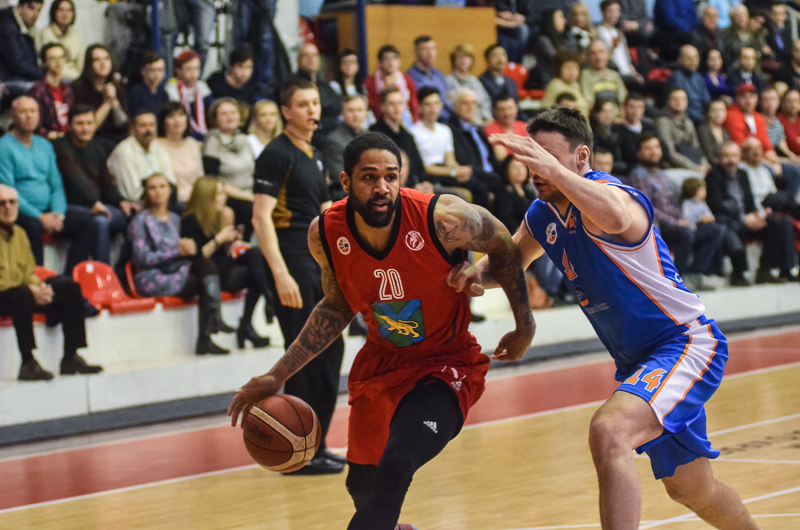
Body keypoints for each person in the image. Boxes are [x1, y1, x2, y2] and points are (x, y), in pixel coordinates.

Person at [451, 107, 759, 530]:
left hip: (684, 344)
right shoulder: (542, 214)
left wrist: (555, 172)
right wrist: (473, 275)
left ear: (581, 157)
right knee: (691, 488)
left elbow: (615, 218)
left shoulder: (613, 195)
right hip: (638, 361)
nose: (537, 170)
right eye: (530, 157)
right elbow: (509, 262)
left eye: (547, 157)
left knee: (609, 431)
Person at [229, 131, 534, 530]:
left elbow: (503, 243)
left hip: (446, 363)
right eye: (369, 177)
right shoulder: (326, 234)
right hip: (382, 365)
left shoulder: (442, 218)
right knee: (362, 486)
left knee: (398, 462)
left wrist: (524, 324)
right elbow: (336, 306)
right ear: (345, 181)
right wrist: (278, 374)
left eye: (391, 176)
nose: (382, 187)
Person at [251, 77, 345, 474]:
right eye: (303, 104)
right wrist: (280, 273)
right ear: (286, 111)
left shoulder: (315, 154)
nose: (312, 110)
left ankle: (316, 444)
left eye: (315, 103)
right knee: (303, 354)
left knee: (331, 351)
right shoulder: (275, 154)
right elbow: (261, 217)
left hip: (316, 259)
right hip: (291, 257)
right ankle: (299, 452)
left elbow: (325, 213)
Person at [0, 184, 103, 381]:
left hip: (22, 291)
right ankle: (28, 362)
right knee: (21, 295)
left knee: (69, 287)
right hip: (6, 294)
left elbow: (28, 271)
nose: (8, 208)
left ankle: (71, 356)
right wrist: (31, 289)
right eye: (2, 203)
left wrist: (41, 288)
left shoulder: (20, 234)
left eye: (12, 202)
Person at [128, 173, 233, 354]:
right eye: (152, 188)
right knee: (203, 273)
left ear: (170, 190)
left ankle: (207, 334)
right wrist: (176, 251)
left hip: (175, 270)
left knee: (203, 267)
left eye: (162, 186)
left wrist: (188, 248)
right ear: (146, 192)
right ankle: (212, 325)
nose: (158, 192)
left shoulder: (175, 219)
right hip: (152, 276)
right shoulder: (140, 221)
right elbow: (143, 258)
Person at [0, 96, 93, 273]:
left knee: (87, 221)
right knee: (33, 227)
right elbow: (8, 191)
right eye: (23, 111)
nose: (29, 116)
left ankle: (72, 277)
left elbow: (56, 185)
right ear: (12, 116)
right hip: (20, 211)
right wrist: (40, 217)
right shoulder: (4, 147)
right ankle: (38, 278)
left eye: (33, 111)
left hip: (49, 211)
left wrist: (58, 214)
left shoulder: (45, 145)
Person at [181, 177, 273, 348]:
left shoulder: (220, 215)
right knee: (254, 269)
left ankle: (252, 317)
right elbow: (198, 257)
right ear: (207, 196)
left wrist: (231, 242)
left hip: (223, 267)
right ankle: (257, 313)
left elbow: (224, 254)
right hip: (207, 276)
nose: (224, 198)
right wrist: (219, 240)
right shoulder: (190, 220)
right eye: (219, 194)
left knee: (256, 257)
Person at [628, 133, 723, 290]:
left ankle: (695, 273)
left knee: (715, 230)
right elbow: (647, 208)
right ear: (639, 153)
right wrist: (677, 222)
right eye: (648, 148)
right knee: (685, 233)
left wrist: (689, 219)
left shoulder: (662, 175)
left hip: (676, 222)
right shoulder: (638, 176)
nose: (654, 152)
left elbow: (674, 205)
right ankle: (678, 279)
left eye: (656, 147)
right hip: (658, 226)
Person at [707, 141, 795, 284]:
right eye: (727, 156)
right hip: (728, 219)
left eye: (734, 156)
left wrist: (755, 215)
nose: (731, 160)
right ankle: (738, 274)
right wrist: (743, 218)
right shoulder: (713, 175)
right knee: (733, 227)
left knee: (779, 222)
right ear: (719, 158)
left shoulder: (742, 174)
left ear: (739, 157)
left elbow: (749, 200)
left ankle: (767, 270)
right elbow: (716, 205)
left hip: (747, 217)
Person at [54, 105, 132, 265]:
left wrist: (121, 202)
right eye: (80, 123)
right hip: (70, 207)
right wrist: (96, 203)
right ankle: (103, 274)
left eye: (89, 123)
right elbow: (76, 181)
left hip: (97, 206)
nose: (85, 128)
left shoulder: (97, 147)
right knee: (99, 221)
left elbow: (107, 183)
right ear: (69, 126)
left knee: (135, 217)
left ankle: (122, 270)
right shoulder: (61, 147)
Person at [202, 98, 256, 240]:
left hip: (250, 193)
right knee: (250, 209)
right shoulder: (213, 142)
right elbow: (213, 181)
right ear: (215, 119)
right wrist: (247, 196)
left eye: (233, 112)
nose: (230, 117)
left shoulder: (245, 140)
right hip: (228, 196)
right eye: (224, 114)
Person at [409, 87, 471, 194]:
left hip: (446, 176)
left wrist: (460, 171)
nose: (433, 109)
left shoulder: (445, 130)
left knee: (478, 186)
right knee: (466, 194)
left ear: (441, 105)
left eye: (436, 103)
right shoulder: (413, 132)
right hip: (429, 178)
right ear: (420, 108)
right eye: (428, 104)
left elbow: (450, 160)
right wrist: (453, 172)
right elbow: (425, 168)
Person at [108, 111, 176, 206]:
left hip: (161, 203)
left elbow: (171, 183)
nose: (148, 130)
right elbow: (133, 194)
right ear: (132, 129)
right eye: (143, 126)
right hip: (134, 206)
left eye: (152, 125)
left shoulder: (159, 148)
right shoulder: (124, 152)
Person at [448, 88, 500, 208]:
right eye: (465, 103)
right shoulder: (452, 131)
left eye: (473, 103)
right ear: (455, 107)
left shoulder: (478, 129)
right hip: (476, 177)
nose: (470, 107)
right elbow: (464, 162)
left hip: (490, 175)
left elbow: (491, 158)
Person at [71, 44, 129, 147]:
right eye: (97, 60)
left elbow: (123, 125)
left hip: (116, 136)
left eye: (106, 59)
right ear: (89, 64)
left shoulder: (116, 86)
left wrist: (114, 101)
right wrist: (107, 104)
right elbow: (88, 128)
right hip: (93, 139)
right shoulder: (78, 88)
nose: (103, 64)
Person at [369, 87, 427, 191]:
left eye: (400, 103)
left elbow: (419, 168)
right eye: (392, 104)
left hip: (413, 188)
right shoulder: (374, 135)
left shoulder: (408, 136)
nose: (397, 108)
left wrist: (425, 183)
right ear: (383, 107)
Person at [324, 95, 368, 202]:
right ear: (342, 114)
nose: (356, 114)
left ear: (366, 112)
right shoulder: (333, 140)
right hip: (345, 197)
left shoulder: (370, 137)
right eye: (351, 110)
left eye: (360, 110)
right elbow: (341, 175)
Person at [157, 101, 203, 204]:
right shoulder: (157, 146)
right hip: (173, 201)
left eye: (181, 115)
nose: (177, 120)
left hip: (196, 199)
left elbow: (200, 177)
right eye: (171, 116)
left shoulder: (192, 144)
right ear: (163, 123)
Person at [656, 89, 711, 174]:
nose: (679, 102)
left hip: (693, 165)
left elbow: (697, 148)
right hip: (672, 167)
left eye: (682, 99)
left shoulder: (689, 122)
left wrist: (705, 165)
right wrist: (695, 168)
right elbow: (670, 153)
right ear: (668, 101)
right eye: (675, 99)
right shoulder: (663, 122)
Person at [294, 43, 342, 138]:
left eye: (314, 55)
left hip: (331, 133)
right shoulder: (293, 84)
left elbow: (338, 106)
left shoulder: (324, 83)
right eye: (306, 55)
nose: (311, 59)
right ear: (298, 60)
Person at [364, 45, 418, 126]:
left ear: (399, 62)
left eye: (394, 58)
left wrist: (415, 122)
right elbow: (370, 106)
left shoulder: (407, 80)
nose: (390, 62)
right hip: (379, 121)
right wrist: (385, 89)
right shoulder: (370, 82)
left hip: (405, 119)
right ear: (380, 63)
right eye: (386, 59)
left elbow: (414, 104)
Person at [29, 43, 73, 140]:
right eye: (53, 58)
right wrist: (55, 136)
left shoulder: (68, 89)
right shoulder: (38, 90)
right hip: (48, 140)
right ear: (44, 62)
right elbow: (35, 126)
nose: (58, 62)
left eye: (61, 57)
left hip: (69, 139)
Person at [0, 0, 44, 99]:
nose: (35, 14)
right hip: (8, 79)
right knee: (41, 88)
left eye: (39, 10)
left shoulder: (26, 26)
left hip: (17, 76)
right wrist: (43, 74)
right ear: (20, 7)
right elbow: (17, 64)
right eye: (31, 8)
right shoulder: (7, 27)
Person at [165, 50, 213, 140]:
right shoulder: (171, 89)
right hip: (183, 134)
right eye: (189, 69)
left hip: (204, 132)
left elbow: (212, 111)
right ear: (178, 70)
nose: (193, 74)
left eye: (196, 69)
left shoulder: (201, 87)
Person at [406, 35, 452, 121]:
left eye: (433, 48)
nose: (430, 53)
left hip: (447, 121)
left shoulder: (439, 75)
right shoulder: (410, 78)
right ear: (416, 52)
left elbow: (449, 98)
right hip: (425, 121)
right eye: (425, 49)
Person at [445, 44, 492, 126]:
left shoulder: (475, 81)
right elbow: (451, 106)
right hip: (460, 124)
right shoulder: (448, 81)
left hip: (480, 123)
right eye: (460, 57)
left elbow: (485, 102)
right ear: (453, 61)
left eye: (466, 57)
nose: (463, 60)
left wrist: (487, 118)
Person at [39, 0, 84, 82]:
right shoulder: (46, 33)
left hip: (76, 77)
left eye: (69, 10)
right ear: (54, 13)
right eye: (61, 10)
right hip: (54, 77)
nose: (65, 14)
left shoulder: (76, 35)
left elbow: (81, 62)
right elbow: (46, 63)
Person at [665, 45, 711, 125]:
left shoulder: (698, 77)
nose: (693, 62)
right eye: (689, 58)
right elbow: (679, 106)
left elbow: (706, 100)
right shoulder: (676, 78)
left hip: (702, 118)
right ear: (680, 60)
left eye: (696, 58)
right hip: (686, 119)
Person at [613, 93, 655, 175]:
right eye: (632, 107)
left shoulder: (650, 128)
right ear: (624, 108)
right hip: (629, 173)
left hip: (654, 169)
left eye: (639, 107)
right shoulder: (616, 131)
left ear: (643, 109)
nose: (635, 111)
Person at [579, 40, 628, 107]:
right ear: (588, 57)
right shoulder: (585, 75)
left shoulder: (614, 75)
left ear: (608, 54)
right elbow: (589, 104)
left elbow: (623, 101)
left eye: (602, 52)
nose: (598, 57)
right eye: (593, 53)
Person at [541, 53, 590, 118]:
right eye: (567, 67)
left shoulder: (576, 85)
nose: (572, 71)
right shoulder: (555, 85)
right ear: (559, 69)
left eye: (575, 67)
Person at [761, 86, 800, 164]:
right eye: (766, 100)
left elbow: (783, 146)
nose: (770, 103)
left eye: (773, 99)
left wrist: (793, 158)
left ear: (778, 102)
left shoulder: (777, 123)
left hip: (779, 158)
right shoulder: (759, 120)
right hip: (766, 158)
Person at [590, 99, 627, 176]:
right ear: (596, 114)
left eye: (611, 111)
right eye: (604, 111)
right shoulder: (591, 134)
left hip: (618, 169)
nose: (608, 115)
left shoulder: (618, 130)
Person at [536, 9, 579, 73]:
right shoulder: (543, 40)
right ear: (551, 20)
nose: (564, 20)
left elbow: (572, 55)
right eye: (561, 17)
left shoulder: (564, 38)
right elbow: (556, 59)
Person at [127, 52, 168, 117]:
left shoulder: (163, 94)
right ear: (143, 71)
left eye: (160, 70)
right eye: (152, 70)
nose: (157, 74)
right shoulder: (136, 93)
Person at [478, 44, 521, 108]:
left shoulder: (511, 82)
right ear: (487, 60)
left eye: (503, 55)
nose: (500, 59)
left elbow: (517, 107)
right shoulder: (481, 82)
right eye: (495, 55)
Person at [697, 99, 733, 165]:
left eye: (722, 110)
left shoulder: (725, 132)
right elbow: (708, 154)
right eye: (714, 110)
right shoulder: (703, 130)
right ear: (708, 113)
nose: (718, 113)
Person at [779, 89, 800, 156]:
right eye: (789, 101)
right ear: (783, 103)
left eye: (796, 101)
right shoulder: (779, 120)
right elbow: (793, 142)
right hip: (789, 157)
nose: (793, 104)